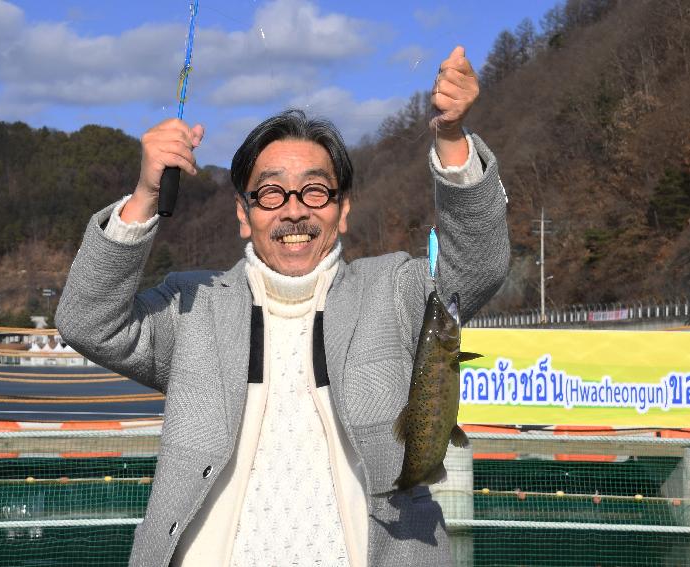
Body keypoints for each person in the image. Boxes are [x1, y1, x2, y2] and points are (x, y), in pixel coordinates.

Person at [56, 46, 509, 567]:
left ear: (343, 211)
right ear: (243, 215)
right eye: (270, 194)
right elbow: (87, 322)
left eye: (315, 191)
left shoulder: (395, 291)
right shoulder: (191, 307)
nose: (294, 211)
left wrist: (450, 138)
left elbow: (477, 265)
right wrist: (143, 195)